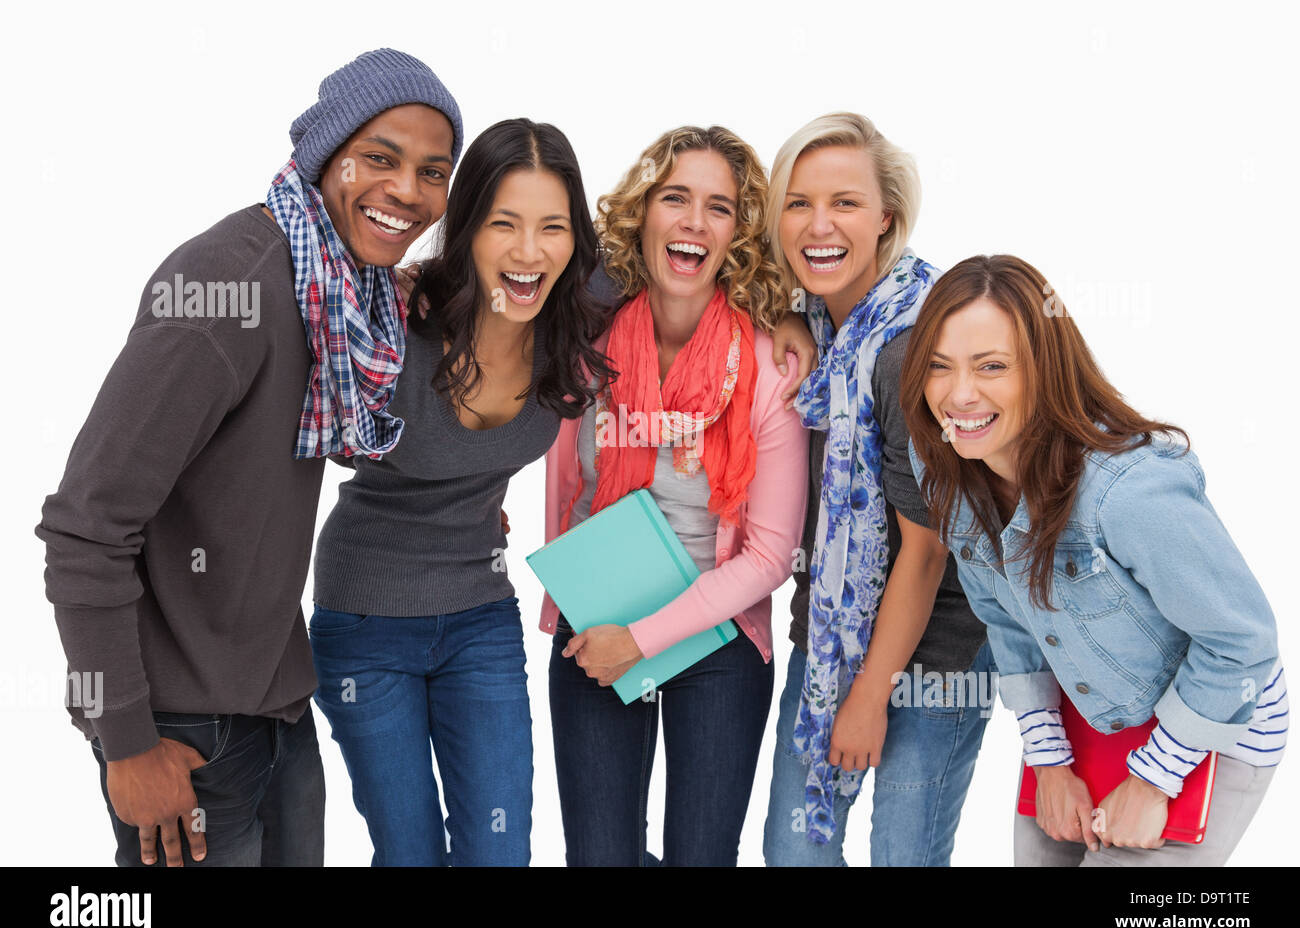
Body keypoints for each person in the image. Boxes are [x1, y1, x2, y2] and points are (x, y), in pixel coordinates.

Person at [35, 48, 463, 867]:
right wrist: (126, 743)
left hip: (274, 708)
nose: (408, 191)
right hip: (178, 730)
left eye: (432, 172)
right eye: (380, 158)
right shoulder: (229, 286)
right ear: (323, 155)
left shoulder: (341, 291)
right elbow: (84, 528)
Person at [900, 253, 1286, 865]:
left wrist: (1156, 779)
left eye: (992, 366)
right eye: (939, 367)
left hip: (1212, 723)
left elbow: (1242, 642)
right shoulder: (948, 468)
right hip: (1088, 714)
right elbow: (1005, 624)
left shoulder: (1128, 488)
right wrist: (1049, 762)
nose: (960, 394)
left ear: (1044, 371)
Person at [309, 118, 611, 866]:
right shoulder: (394, 320)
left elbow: (692, 268)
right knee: (410, 855)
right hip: (366, 616)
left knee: (498, 851)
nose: (528, 251)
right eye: (503, 223)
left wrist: (793, 326)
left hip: (480, 614)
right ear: (466, 227)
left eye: (553, 226)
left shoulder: (574, 314)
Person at [540, 125, 811, 866]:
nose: (694, 220)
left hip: (719, 638)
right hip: (599, 625)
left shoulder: (768, 365)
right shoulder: (584, 338)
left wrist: (646, 640)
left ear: (738, 235)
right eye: (676, 198)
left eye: (718, 207)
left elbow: (770, 554)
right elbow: (498, 282)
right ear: (644, 214)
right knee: (600, 856)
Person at [759, 113, 994, 865]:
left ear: (887, 217)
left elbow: (924, 552)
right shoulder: (814, 330)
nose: (818, 224)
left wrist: (867, 696)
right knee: (794, 852)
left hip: (939, 649)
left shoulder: (909, 349)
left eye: (845, 203)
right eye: (797, 203)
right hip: (828, 633)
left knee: (904, 855)